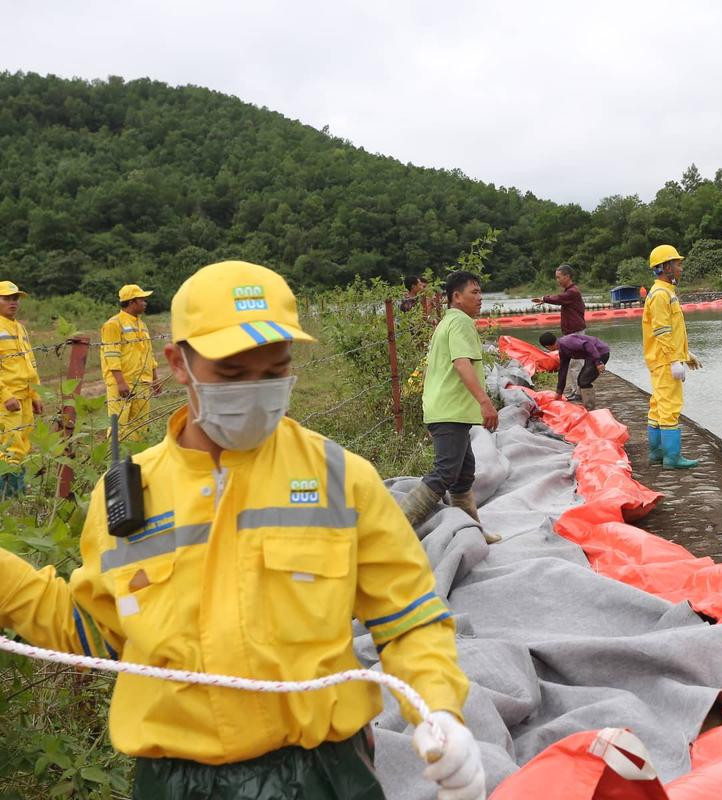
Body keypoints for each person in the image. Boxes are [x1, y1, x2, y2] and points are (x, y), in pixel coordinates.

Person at [0, 261, 485, 800]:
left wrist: (439, 709)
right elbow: (96, 633)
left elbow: (409, 616)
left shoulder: (340, 479)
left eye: (274, 370)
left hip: (325, 773)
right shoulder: (128, 496)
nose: (256, 391)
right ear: (178, 363)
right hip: (176, 782)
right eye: (232, 374)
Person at [401, 270, 501, 544]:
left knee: (463, 474)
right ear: (456, 297)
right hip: (449, 411)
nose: (480, 298)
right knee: (445, 473)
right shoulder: (460, 324)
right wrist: (485, 402)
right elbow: (461, 363)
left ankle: (471, 531)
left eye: (480, 292)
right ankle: (393, 530)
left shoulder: (447, 322)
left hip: (447, 410)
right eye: (474, 292)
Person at [642, 245, 702, 469]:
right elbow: (662, 331)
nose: (680, 268)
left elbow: (673, 331)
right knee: (670, 406)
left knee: (658, 405)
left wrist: (685, 354)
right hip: (665, 361)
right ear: (666, 267)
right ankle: (671, 457)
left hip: (663, 359)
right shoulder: (660, 295)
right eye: (677, 264)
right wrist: (674, 361)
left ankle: (657, 454)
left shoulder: (666, 292)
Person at [100, 285, 160, 441]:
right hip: (123, 383)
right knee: (118, 425)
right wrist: (120, 382)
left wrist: (155, 378)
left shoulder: (141, 324)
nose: (145, 303)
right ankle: (115, 460)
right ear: (132, 302)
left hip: (143, 382)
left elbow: (149, 353)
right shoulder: (113, 324)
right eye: (142, 300)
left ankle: (134, 459)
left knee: (140, 425)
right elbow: (111, 355)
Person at [0, 280, 42, 497]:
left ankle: (19, 496)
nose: (13, 302)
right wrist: (5, 395)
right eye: (6, 298)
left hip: (25, 396)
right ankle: (8, 499)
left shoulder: (20, 328)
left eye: (15, 298)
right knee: (10, 449)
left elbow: (29, 363)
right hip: (7, 400)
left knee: (24, 446)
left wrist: (35, 394)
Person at [538, 330, 609, 410]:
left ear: (547, 347)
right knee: (581, 380)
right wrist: (559, 392)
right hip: (590, 356)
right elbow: (562, 371)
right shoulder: (562, 350)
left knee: (584, 381)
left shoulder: (567, 342)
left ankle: (590, 408)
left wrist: (598, 362)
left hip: (600, 353)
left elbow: (588, 345)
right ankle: (587, 404)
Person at [530, 264, 585, 335]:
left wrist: (544, 299)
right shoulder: (571, 290)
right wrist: (544, 300)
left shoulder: (572, 291)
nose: (557, 280)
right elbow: (560, 298)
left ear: (567, 277)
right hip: (572, 330)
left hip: (575, 331)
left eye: (558, 277)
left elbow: (559, 298)